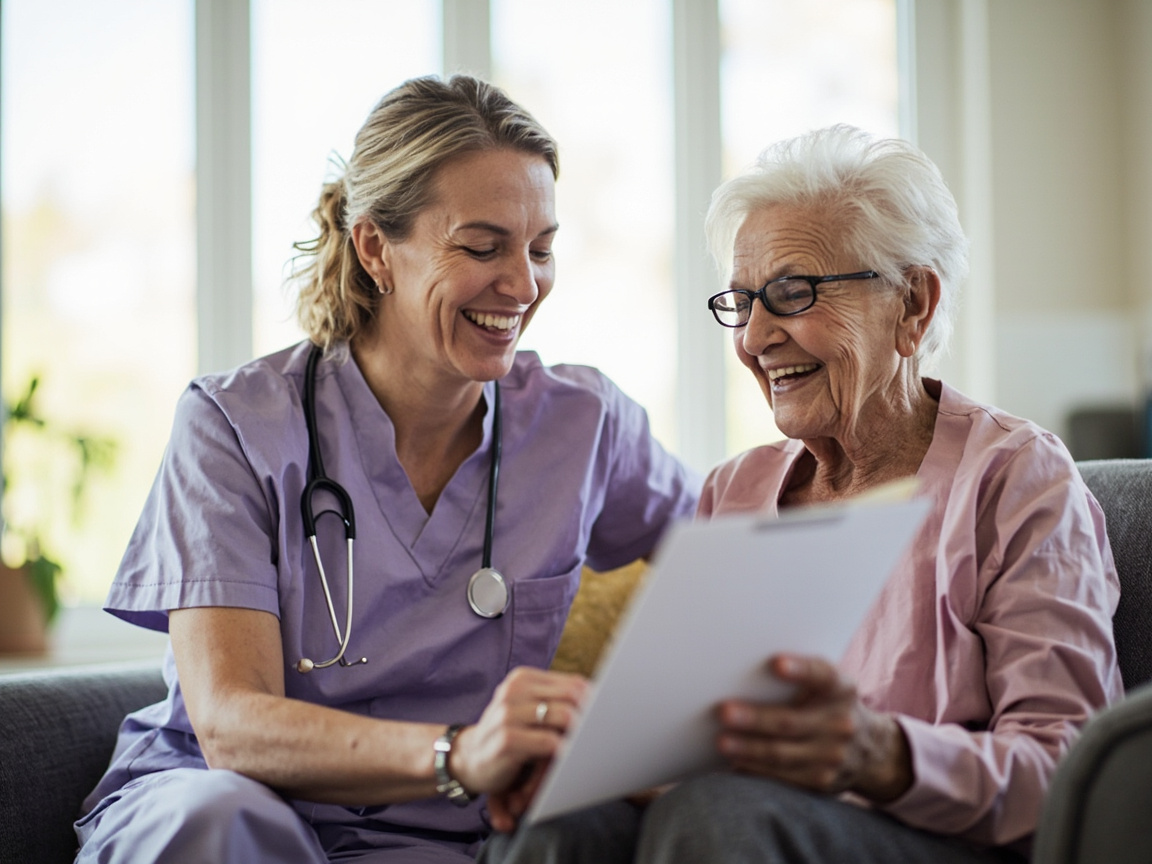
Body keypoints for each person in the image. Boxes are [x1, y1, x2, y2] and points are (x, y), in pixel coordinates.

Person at [74, 74, 700, 864]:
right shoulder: (235, 427)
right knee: (217, 819)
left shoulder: (582, 424)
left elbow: (728, 559)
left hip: (445, 841)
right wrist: (457, 754)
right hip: (235, 814)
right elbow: (231, 724)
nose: (523, 283)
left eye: (541, 248)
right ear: (376, 248)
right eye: (482, 246)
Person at [481, 125, 1123, 863]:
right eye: (741, 302)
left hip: (939, 842)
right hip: (746, 824)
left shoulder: (1016, 479)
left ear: (913, 303)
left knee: (720, 816)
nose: (754, 337)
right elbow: (685, 744)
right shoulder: (736, 489)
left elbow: (1072, 772)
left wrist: (885, 756)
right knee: (559, 830)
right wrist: (595, 759)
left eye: (791, 293)